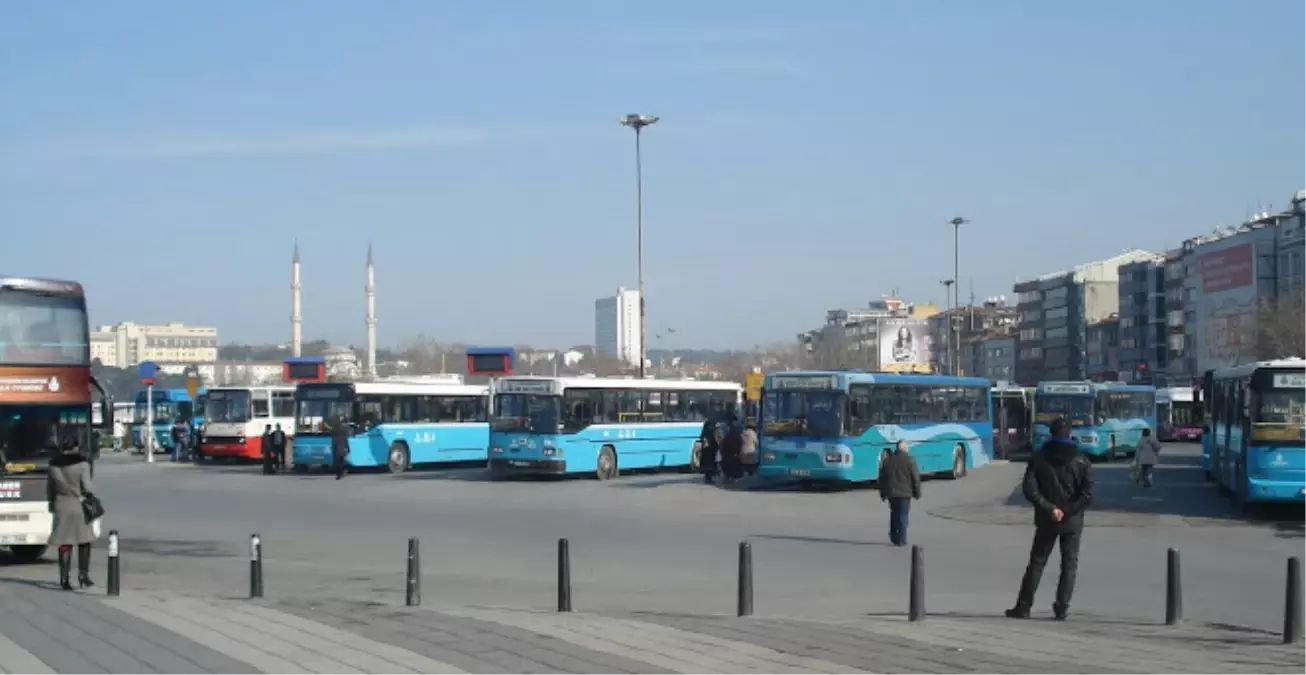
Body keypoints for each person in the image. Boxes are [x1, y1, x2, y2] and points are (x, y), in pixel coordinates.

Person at [1007, 418, 1095, 620]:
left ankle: (1023, 606)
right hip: (1072, 521)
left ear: (1051, 433)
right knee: (1069, 564)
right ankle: (1062, 607)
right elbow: (1088, 494)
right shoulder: (1081, 459)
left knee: (1037, 562)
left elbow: (1030, 489)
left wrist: (1051, 508)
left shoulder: (1039, 457)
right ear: (1069, 434)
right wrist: (1066, 509)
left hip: (1047, 518)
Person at [47, 436, 98, 591]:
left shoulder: (53, 466)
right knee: (84, 540)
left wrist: (52, 504)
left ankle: (64, 579)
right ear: (76, 447)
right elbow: (88, 488)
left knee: (64, 542)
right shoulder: (82, 464)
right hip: (79, 505)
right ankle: (83, 575)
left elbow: (50, 489)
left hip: (61, 504)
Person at [878, 440, 922, 546]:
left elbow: (882, 478)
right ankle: (902, 539)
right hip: (905, 494)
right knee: (903, 516)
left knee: (894, 513)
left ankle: (894, 535)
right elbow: (916, 478)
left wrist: (883, 493)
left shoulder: (888, 460)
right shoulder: (910, 460)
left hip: (892, 494)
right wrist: (917, 493)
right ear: (905, 448)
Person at [698, 418, 721, 485]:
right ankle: (709, 478)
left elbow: (701, 438)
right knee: (710, 465)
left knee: (707, 465)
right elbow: (715, 440)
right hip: (711, 450)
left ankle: (707, 478)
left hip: (705, 450)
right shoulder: (712, 431)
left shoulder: (704, 431)